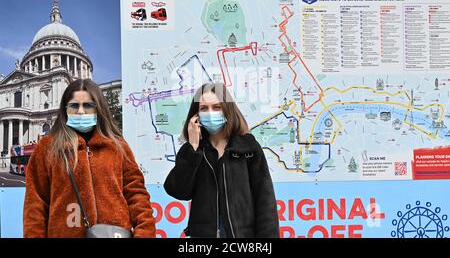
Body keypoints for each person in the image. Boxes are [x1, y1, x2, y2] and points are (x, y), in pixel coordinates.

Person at [23, 79, 156, 238]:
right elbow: (35, 204)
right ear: (65, 110)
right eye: (74, 106)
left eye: (88, 105)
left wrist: (144, 234)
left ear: (98, 109)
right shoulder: (47, 147)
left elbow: (137, 195)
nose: (80, 111)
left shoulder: (118, 146)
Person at [164, 83, 279, 238]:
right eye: (204, 108)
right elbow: (178, 191)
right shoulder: (193, 150)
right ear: (195, 115)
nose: (210, 113)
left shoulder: (248, 148)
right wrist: (193, 148)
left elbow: (265, 201)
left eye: (216, 107)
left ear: (227, 109)